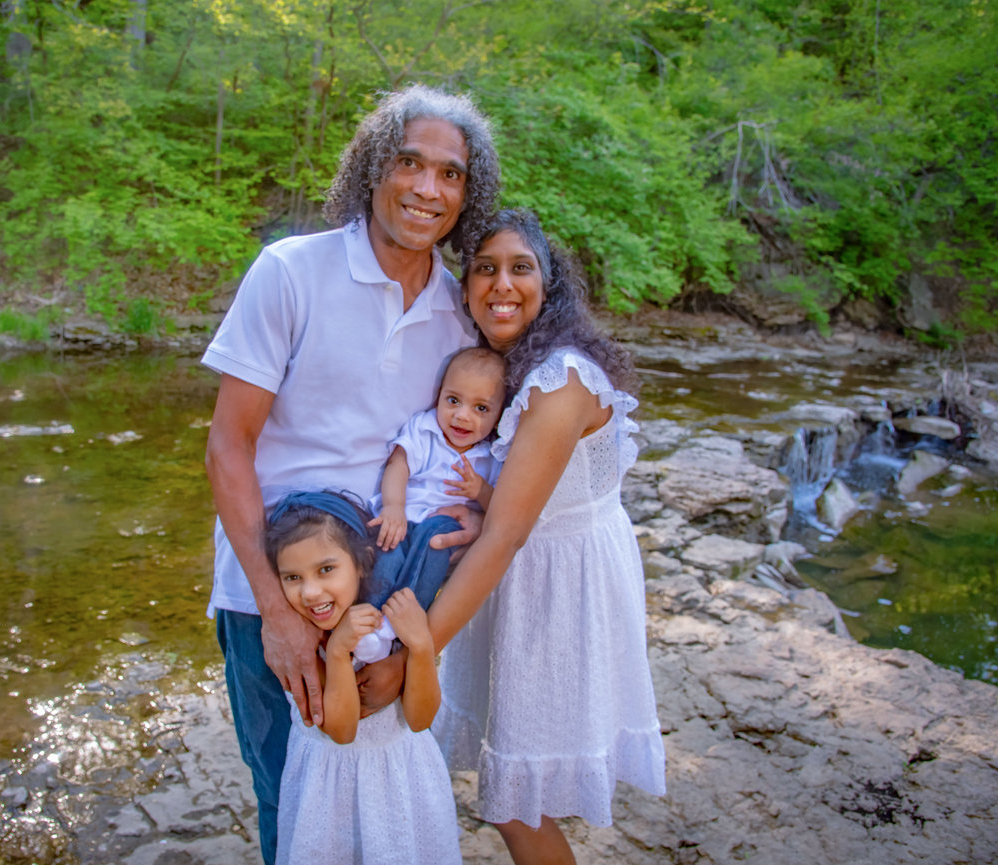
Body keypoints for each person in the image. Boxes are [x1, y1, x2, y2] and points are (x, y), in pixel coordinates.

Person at [202, 84, 499, 863]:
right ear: (373, 167)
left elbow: (468, 447)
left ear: (469, 193)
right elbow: (227, 445)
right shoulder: (290, 272)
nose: (428, 188)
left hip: (396, 600)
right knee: (292, 801)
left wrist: (478, 513)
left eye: (451, 173)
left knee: (384, 802)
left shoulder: (461, 314)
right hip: (274, 591)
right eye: (409, 162)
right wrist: (276, 611)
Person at [426, 209, 666, 864]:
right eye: (485, 268)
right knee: (513, 799)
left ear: (549, 283)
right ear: (468, 285)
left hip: (561, 597)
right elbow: (522, 500)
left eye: (520, 268)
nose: (501, 284)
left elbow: (508, 533)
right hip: (538, 576)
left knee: (514, 801)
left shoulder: (559, 378)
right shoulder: (507, 367)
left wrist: (419, 650)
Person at [265, 491, 461, 865]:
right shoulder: (305, 645)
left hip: (404, 783)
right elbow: (342, 731)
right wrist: (338, 652)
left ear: (362, 563)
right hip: (327, 798)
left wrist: (419, 648)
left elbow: (420, 720)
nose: (310, 592)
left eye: (326, 570)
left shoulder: (392, 628)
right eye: (292, 577)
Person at [352, 346, 505, 663]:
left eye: (480, 408)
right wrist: (394, 507)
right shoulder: (426, 430)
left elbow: (500, 507)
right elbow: (399, 465)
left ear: (498, 415)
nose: (462, 415)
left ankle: (400, 627)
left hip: (441, 526)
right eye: (453, 401)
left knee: (435, 541)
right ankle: (371, 623)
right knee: (387, 554)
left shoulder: (490, 456)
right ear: (439, 395)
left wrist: (479, 491)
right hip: (405, 519)